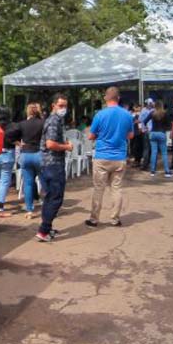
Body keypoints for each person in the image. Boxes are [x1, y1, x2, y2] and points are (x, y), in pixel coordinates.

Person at [85, 87, 134, 228]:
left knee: (98, 188)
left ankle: (94, 219)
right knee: (116, 188)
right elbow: (130, 135)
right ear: (118, 98)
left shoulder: (100, 115)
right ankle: (115, 219)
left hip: (102, 156)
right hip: (119, 157)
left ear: (106, 98)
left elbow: (91, 136)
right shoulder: (127, 115)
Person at [36, 93, 74, 242]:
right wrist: (67, 147)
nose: (63, 108)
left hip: (48, 164)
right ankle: (43, 230)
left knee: (50, 197)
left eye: (65, 105)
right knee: (56, 198)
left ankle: (47, 227)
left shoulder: (56, 120)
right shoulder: (54, 121)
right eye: (61, 105)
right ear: (53, 106)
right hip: (53, 164)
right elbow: (50, 144)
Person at [14, 103, 45, 219]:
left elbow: (9, 136)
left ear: (28, 111)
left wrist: (19, 143)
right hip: (39, 154)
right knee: (44, 182)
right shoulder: (43, 123)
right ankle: (47, 207)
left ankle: (29, 210)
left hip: (25, 154)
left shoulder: (22, 124)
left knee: (28, 183)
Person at [148, 101, 173, 178]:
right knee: (164, 153)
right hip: (162, 133)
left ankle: (152, 171)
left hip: (153, 134)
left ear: (155, 106)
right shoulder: (165, 113)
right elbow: (169, 125)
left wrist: (147, 129)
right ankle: (167, 171)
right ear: (162, 106)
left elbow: (144, 121)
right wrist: (165, 128)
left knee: (154, 152)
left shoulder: (152, 113)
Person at [139, 99, 154, 169]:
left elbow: (140, 120)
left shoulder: (143, 110)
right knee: (151, 148)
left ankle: (145, 165)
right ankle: (151, 164)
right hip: (152, 131)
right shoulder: (153, 111)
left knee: (146, 148)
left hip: (146, 131)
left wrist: (141, 129)